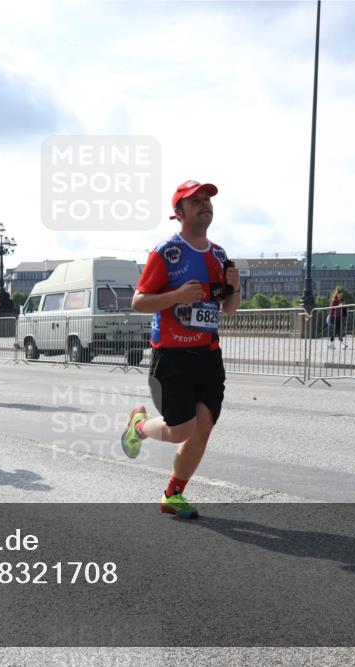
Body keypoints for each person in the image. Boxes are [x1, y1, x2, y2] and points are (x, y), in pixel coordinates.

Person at [119, 180, 240, 519]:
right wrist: (175, 297)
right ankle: (138, 428)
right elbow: (138, 302)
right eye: (196, 200)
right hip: (171, 356)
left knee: (203, 425)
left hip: (208, 355)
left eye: (208, 200)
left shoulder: (219, 255)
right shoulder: (166, 252)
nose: (205, 204)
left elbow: (228, 309)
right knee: (181, 430)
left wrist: (236, 289)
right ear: (179, 212)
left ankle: (173, 494)